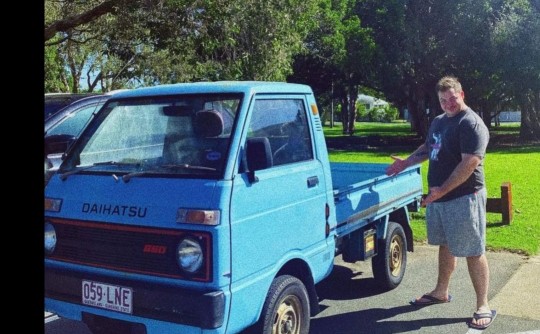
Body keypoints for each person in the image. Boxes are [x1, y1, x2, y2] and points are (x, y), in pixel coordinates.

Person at [385, 76, 495, 330]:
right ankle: (440, 292)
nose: (448, 104)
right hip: (440, 196)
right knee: (445, 245)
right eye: (443, 100)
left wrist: (441, 190)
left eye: (452, 99)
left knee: (473, 250)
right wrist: (406, 163)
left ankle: (483, 305)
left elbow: (469, 163)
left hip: (464, 197)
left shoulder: (471, 123)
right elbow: (428, 148)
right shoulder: (438, 121)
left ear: (462, 94)